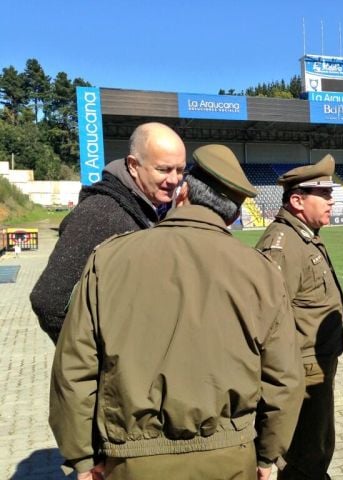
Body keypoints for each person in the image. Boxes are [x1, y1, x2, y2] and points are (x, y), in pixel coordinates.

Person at [49, 144, 304, 480]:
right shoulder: (262, 272)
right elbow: (284, 379)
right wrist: (269, 456)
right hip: (230, 458)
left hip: (131, 461)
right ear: (233, 215)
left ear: (182, 192)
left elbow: (75, 369)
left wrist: (81, 458)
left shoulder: (109, 258)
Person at [30, 122, 186, 343]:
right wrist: (95, 360)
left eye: (180, 170)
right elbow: (48, 301)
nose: (174, 179)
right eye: (163, 169)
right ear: (133, 165)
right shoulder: (100, 213)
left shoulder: (160, 209)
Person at [255, 154, 343, 479]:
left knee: (317, 449)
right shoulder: (282, 245)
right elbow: (266, 319)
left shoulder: (303, 236)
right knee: (306, 456)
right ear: (296, 200)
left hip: (314, 369)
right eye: (323, 195)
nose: (331, 202)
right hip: (301, 375)